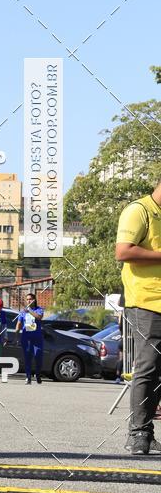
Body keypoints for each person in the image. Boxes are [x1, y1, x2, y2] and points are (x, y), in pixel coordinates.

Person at [116, 183, 161, 455]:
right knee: (149, 366)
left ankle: (147, 432)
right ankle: (138, 435)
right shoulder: (139, 210)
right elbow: (123, 251)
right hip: (146, 302)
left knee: (158, 370)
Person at [15, 292, 44, 384]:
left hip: (37, 338)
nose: (28, 301)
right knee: (27, 358)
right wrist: (16, 335)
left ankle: (38, 375)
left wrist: (30, 311)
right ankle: (28, 377)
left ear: (34, 300)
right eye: (27, 299)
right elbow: (19, 324)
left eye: (30, 299)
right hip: (26, 338)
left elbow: (39, 317)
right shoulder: (23, 311)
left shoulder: (39, 309)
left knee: (38, 356)